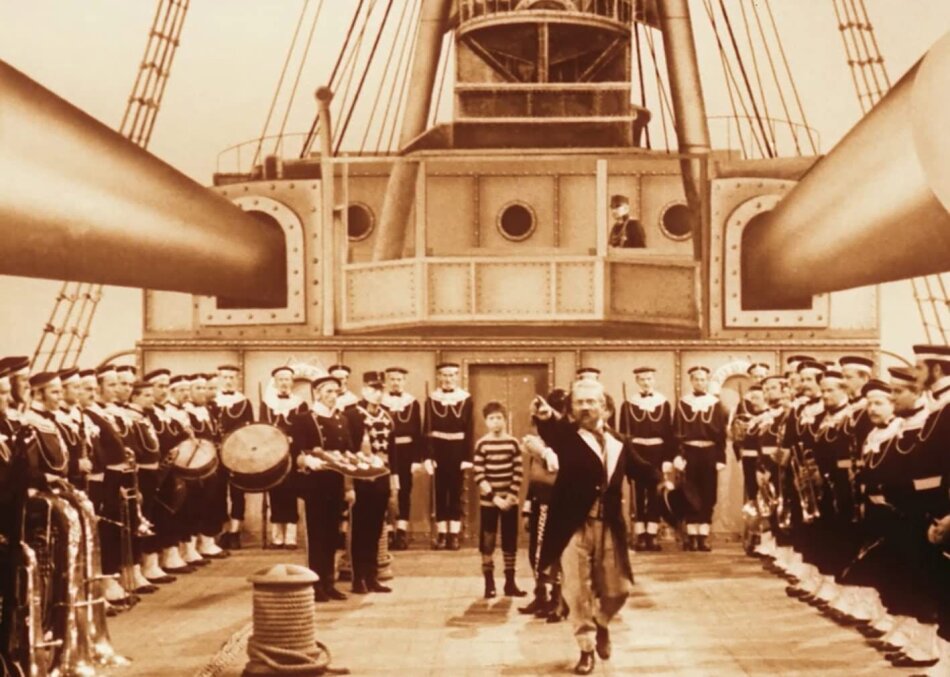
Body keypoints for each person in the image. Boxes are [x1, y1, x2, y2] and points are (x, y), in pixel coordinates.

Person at [530, 379, 658, 675]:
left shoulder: (620, 442)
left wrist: (664, 481)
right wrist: (545, 416)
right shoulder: (567, 437)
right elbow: (553, 429)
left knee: (619, 589)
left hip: (609, 526)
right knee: (577, 590)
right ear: (571, 409)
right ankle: (586, 648)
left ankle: (601, 623)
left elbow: (641, 469)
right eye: (579, 402)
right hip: (573, 526)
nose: (585, 407)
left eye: (591, 401)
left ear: (605, 406)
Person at [291, 374, 354, 602]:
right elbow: (295, 452)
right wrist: (307, 460)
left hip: (335, 482)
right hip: (315, 484)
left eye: (336, 392)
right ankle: (315, 584)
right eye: (328, 392)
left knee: (331, 535)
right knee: (316, 536)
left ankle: (329, 582)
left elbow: (347, 451)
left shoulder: (342, 419)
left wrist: (349, 483)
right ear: (317, 394)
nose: (333, 396)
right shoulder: (304, 419)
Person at [344, 371, 396, 594]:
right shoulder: (352, 415)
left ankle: (372, 576)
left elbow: (392, 451)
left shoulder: (387, 416)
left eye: (380, 390)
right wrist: (349, 484)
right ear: (364, 390)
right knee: (360, 529)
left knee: (375, 529)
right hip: (361, 477)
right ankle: (358, 578)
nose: (378, 394)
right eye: (373, 389)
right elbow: (348, 449)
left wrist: (393, 482)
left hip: (381, 477)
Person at [618, 366, 673, 552]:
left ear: (654, 380)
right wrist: (626, 458)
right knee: (638, 493)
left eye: (649, 379)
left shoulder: (663, 403)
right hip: (637, 452)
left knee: (655, 493)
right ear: (637, 381)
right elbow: (623, 435)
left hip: (657, 451)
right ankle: (640, 534)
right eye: (642, 379)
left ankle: (652, 534)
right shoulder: (628, 404)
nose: (646, 382)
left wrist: (667, 458)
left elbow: (669, 433)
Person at [473, 401, 524, 599]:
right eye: (491, 418)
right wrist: (494, 497)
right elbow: (479, 475)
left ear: (505, 419)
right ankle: (489, 583)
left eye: (499, 418)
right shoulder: (482, 444)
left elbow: (518, 471)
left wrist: (510, 496)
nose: (496, 422)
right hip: (489, 502)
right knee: (488, 541)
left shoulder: (513, 443)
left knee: (510, 540)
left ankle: (510, 582)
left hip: (510, 502)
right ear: (486, 421)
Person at [673, 366, 728, 551]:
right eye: (696, 379)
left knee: (708, 494)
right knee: (690, 493)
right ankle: (692, 535)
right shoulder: (683, 403)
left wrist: (721, 457)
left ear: (707, 381)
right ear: (691, 381)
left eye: (702, 379)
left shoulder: (715, 403)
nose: (699, 382)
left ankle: (703, 535)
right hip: (689, 452)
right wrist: (678, 455)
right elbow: (676, 431)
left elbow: (721, 433)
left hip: (709, 452)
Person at [424, 362, 474, 550]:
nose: (448, 379)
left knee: (455, 491)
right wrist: (427, 456)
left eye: (452, 375)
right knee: (439, 491)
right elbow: (426, 429)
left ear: (457, 377)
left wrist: (467, 457)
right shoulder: (431, 399)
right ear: (439, 377)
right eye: (444, 375)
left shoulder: (466, 399)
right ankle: (441, 534)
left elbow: (469, 429)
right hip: (438, 451)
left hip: (457, 450)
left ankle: (454, 534)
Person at [259, 365, 308, 549]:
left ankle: (291, 536)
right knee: (275, 491)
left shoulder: (300, 404)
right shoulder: (266, 404)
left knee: (291, 491)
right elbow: (263, 428)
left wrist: (295, 441)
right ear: (275, 382)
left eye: (287, 379)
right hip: (273, 453)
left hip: (293, 452)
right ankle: (277, 536)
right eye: (281, 379)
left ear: (292, 382)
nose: (284, 383)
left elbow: (304, 428)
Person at [213, 365, 254, 549]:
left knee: (238, 492)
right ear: (219, 379)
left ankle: (235, 532)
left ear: (237, 380)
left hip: (237, 453)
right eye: (225, 377)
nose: (228, 381)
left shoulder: (244, 403)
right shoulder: (212, 401)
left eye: (232, 377)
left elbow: (249, 429)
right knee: (218, 492)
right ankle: (222, 531)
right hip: (216, 454)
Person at [382, 366, 423, 551]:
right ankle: (388, 531)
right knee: (386, 491)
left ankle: (401, 531)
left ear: (404, 381)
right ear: (387, 381)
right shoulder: (380, 402)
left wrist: (416, 458)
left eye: (399, 379)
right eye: (392, 379)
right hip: (386, 452)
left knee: (405, 490)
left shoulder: (412, 403)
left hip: (406, 451)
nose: (395, 383)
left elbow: (417, 432)